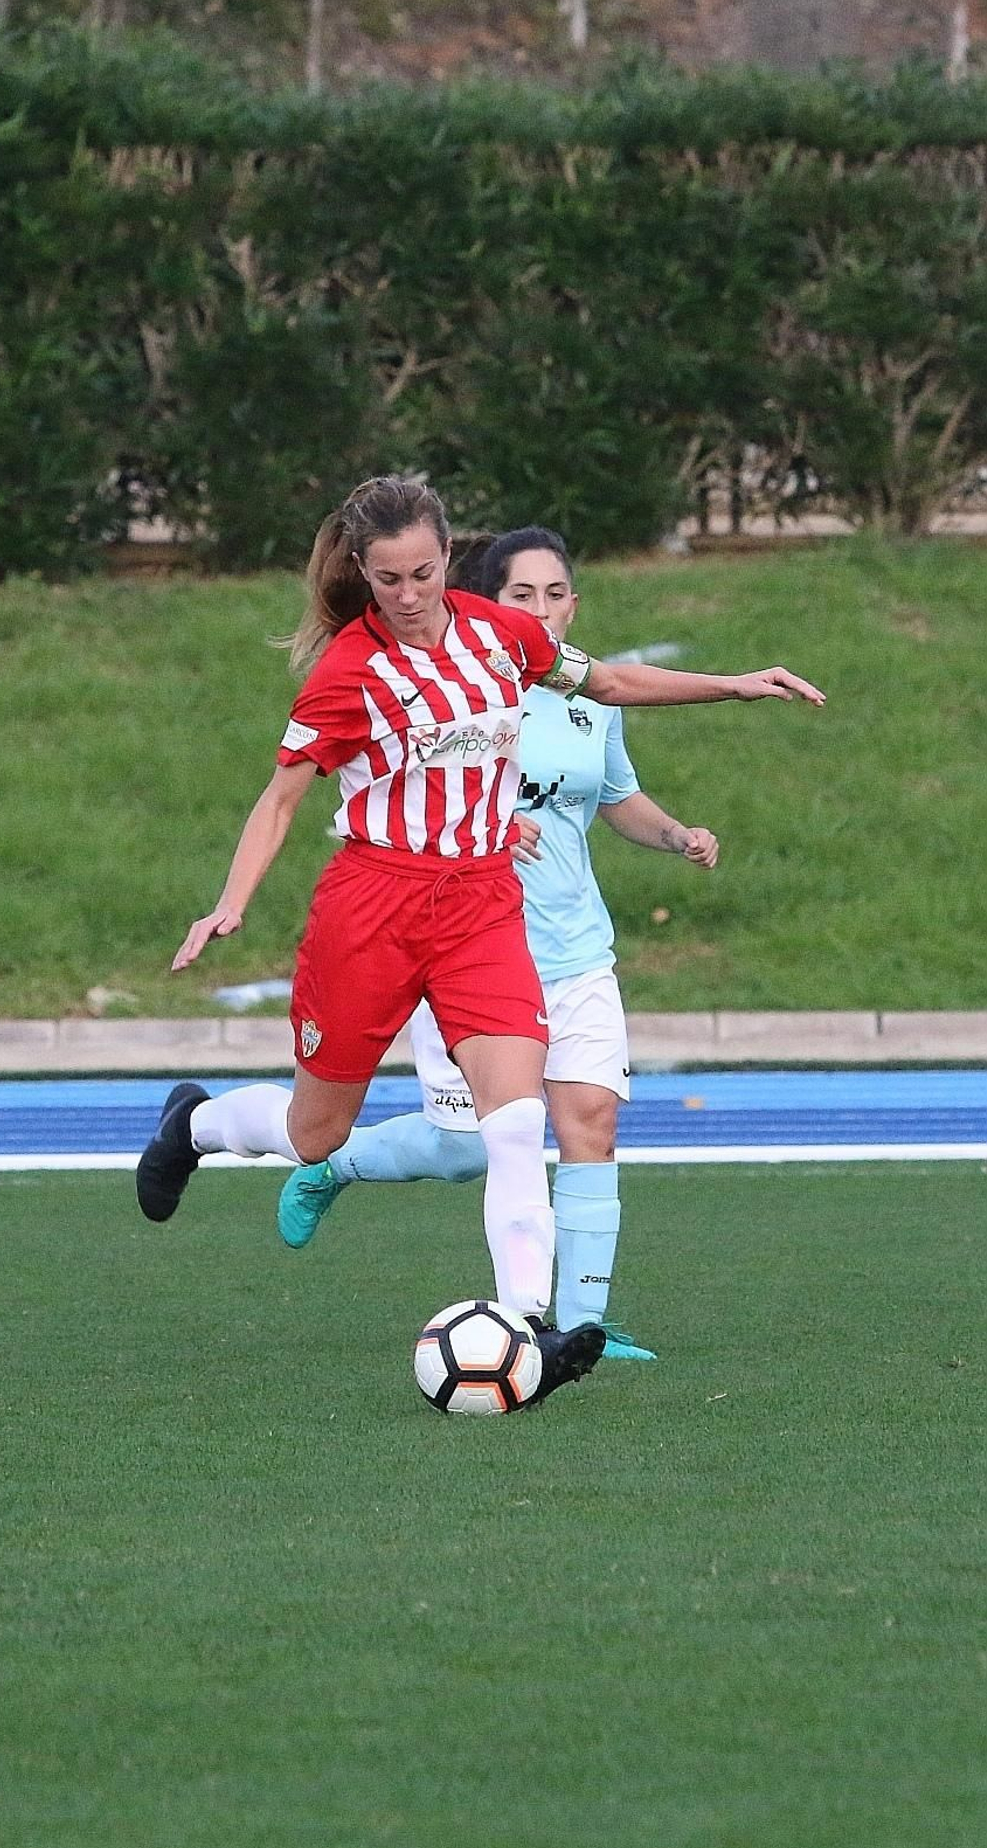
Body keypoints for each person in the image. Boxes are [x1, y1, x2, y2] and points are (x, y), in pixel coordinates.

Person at [136, 475, 821, 1406]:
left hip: (480, 910)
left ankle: (528, 1336)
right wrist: (230, 900)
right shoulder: (349, 670)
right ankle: (198, 1123)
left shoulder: (503, 635)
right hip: (373, 911)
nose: (409, 595)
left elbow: (607, 680)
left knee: (513, 1126)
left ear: (448, 557)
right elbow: (283, 795)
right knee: (312, 1135)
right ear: (363, 575)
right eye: (388, 580)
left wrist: (735, 685)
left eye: (423, 572)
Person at [278, 525, 722, 1364]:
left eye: (558, 594)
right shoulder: (469, 682)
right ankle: (334, 1165)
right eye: (524, 595)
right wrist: (482, 823)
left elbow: (616, 798)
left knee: (589, 1123)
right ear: (485, 601)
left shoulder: (592, 698)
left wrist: (675, 835)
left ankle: (580, 1328)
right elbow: (408, 786)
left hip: (578, 947)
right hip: (471, 942)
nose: (544, 611)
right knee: (462, 1149)